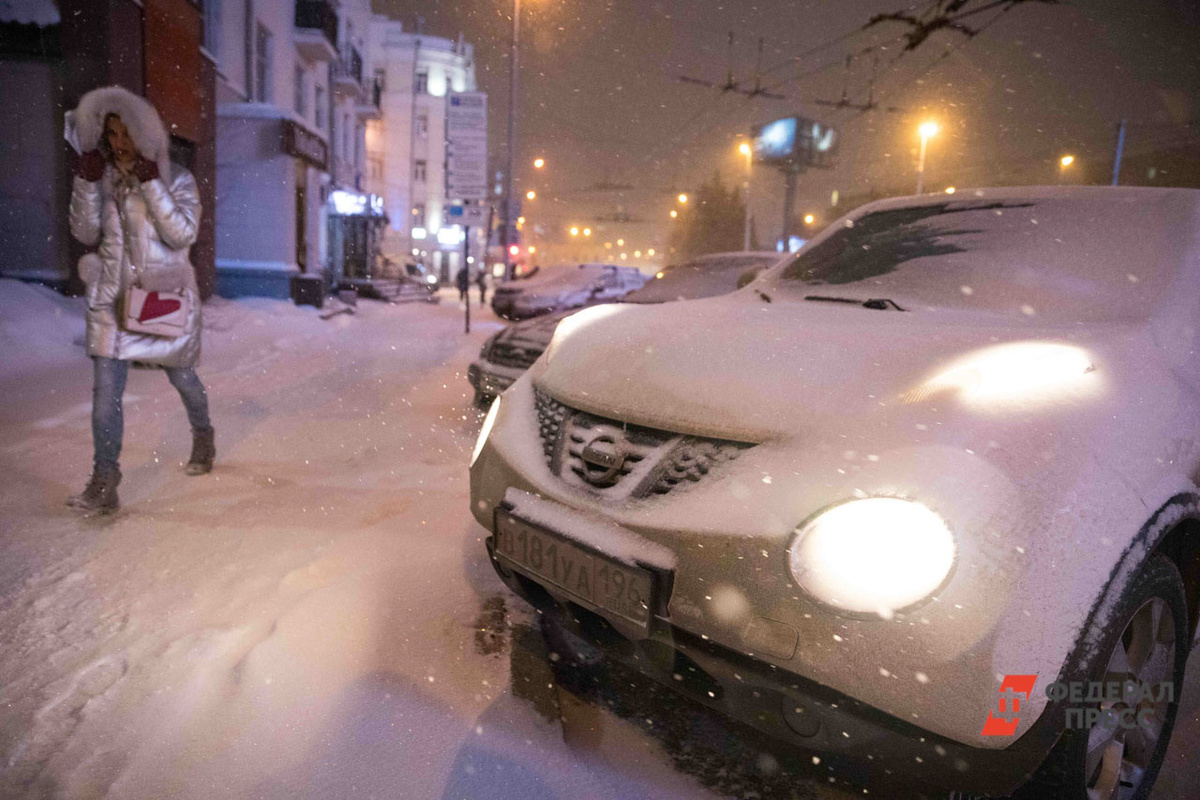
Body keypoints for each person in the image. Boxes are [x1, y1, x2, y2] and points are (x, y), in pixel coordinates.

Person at [66, 86, 213, 515]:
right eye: (110, 133)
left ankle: (203, 434)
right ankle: (104, 480)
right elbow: (84, 233)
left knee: (183, 379)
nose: (118, 142)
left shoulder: (178, 179)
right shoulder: (103, 177)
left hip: (160, 297)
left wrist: (151, 183)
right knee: (105, 393)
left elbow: (182, 234)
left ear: (143, 134)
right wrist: (86, 181)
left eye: (125, 132)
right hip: (112, 298)